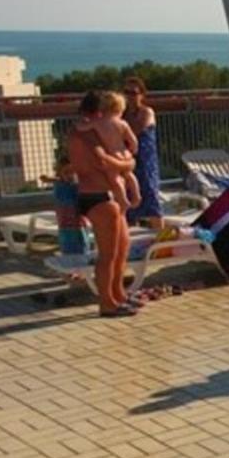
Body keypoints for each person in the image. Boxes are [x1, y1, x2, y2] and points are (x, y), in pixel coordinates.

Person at [67, 92, 138, 316]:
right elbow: (104, 162)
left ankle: (118, 294)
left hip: (107, 195)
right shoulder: (86, 134)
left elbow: (117, 159)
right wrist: (127, 163)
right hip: (97, 196)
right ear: (99, 112)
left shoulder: (92, 130)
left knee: (121, 249)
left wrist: (125, 162)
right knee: (107, 255)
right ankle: (107, 302)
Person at [121, 77, 163, 228]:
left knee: (150, 194)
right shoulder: (122, 115)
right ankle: (130, 233)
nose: (129, 96)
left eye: (133, 93)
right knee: (127, 197)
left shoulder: (146, 112)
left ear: (142, 94)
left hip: (145, 161)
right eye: (126, 92)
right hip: (127, 160)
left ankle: (160, 233)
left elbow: (137, 130)